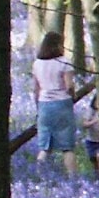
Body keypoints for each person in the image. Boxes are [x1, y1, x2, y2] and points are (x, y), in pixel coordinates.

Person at [32, 31, 79, 174]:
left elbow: (36, 89)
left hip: (44, 105)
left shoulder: (37, 63)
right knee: (67, 147)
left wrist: (38, 107)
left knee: (44, 147)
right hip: (62, 104)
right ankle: (74, 180)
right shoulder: (64, 62)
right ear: (58, 45)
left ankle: (39, 177)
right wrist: (73, 96)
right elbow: (69, 86)